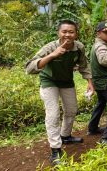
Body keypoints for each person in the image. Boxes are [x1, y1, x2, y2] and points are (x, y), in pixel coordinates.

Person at [25, 20, 94, 165]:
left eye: (71, 32)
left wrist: (89, 82)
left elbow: (84, 65)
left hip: (66, 81)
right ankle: (55, 150)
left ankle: (65, 136)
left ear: (76, 34)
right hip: (49, 81)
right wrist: (53, 55)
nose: (67, 35)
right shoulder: (50, 47)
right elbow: (30, 67)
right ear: (59, 33)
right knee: (53, 114)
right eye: (64, 32)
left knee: (72, 110)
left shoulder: (79, 47)